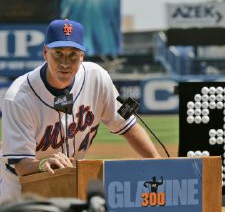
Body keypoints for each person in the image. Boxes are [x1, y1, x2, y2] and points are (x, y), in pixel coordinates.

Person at [0, 19, 161, 203]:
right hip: (21, 186)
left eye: (73, 55)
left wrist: (157, 162)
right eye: (58, 54)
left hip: (72, 179)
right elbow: (21, 165)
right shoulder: (18, 97)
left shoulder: (98, 78)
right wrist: (44, 163)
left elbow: (129, 126)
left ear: (82, 55)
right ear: (45, 53)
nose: (65, 63)